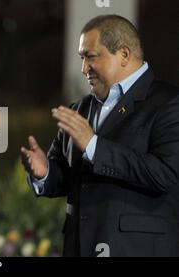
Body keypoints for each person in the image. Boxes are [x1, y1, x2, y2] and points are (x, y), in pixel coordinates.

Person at [20, 14, 179, 257]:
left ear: (124, 54)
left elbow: (165, 174)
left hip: (135, 249)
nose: (84, 68)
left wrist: (94, 146)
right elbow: (66, 177)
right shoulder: (79, 109)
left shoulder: (168, 103)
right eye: (82, 58)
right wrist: (45, 173)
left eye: (90, 57)